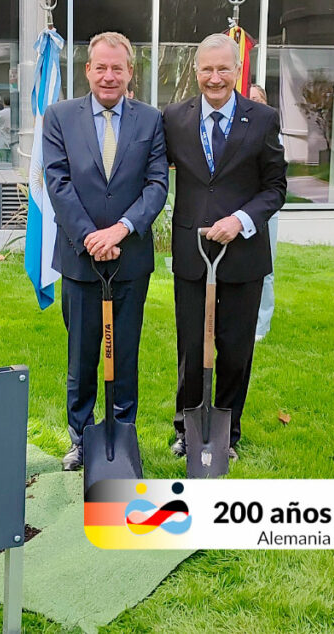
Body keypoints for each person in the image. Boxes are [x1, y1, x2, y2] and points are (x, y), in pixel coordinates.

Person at [43, 31, 168, 471]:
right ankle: (81, 439)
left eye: (118, 68)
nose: (109, 76)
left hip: (130, 260)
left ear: (130, 72)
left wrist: (119, 231)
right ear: (88, 70)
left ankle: (121, 435)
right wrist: (90, 238)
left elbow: (157, 184)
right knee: (81, 357)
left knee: (125, 354)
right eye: (101, 67)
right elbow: (57, 182)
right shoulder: (59, 117)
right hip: (80, 261)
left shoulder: (150, 120)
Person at [163, 34, 287, 461]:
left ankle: (227, 433)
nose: (214, 78)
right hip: (193, 254)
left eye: (223, 69)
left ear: (237, 70)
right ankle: (187, 429)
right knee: (191, 348)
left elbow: (275, 187)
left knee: (235, 350)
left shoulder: (263, 119)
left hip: (243, 256)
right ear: (195, 71)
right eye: (206, 69)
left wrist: (241, 221)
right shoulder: (174, 118)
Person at [248, 83, 279, 342]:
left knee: (265, 269)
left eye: (257, 99)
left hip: (265, 211)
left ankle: (261, 325)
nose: (252, 104)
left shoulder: (269, 128)